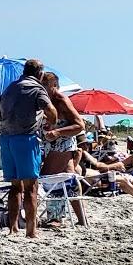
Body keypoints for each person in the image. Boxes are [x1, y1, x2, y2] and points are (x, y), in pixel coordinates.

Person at [0, 58, 55, 239]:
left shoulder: (11, 87)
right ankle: (31, 230)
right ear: (40, 73)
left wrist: (5, 119)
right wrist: (50, 122)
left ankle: (13, 228)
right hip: (26, 139)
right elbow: (51, 110)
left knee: (15, 186)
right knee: (31, 187)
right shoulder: (36, 88)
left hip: (6, 138)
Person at [40, 71, 87, 225]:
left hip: (62, 144)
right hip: (51, 144)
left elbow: (80, 125)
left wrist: (57, 132)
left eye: (45, 86)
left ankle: (55, 217)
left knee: (49, 177)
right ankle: (81, 219)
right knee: (69, 179)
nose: (42, 89)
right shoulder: (44, 101)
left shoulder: (61, 100)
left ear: (54, 86)